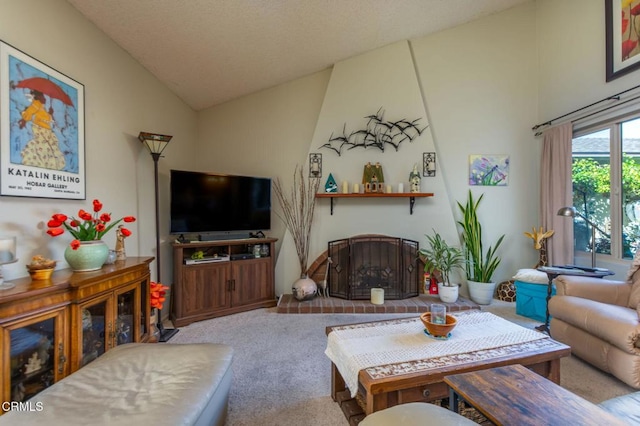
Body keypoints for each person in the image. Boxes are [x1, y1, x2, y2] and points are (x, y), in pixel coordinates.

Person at [18, 89, 65, 170]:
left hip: (46, 130)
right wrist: (24, 120)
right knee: (43, 145)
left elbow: (46, 118)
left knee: (48, 146)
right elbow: (29, 112)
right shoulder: (36, 104)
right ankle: (38, 161)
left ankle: (47, 163)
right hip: (40, 129)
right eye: (43, 96)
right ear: (38, 97)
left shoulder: (41, 107)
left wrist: (50, 113)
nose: (45, 98)